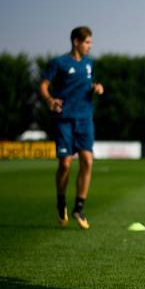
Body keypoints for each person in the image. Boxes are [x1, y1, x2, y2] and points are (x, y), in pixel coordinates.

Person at [39, 26, 104, 230]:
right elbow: (43, 85)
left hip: (85, 119)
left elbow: (89, 82)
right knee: (65, 164)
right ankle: (61, 201)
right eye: (87, 42)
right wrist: (50, 99)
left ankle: (79, 208)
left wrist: (97, 87)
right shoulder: (59, 63)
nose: (89, 46)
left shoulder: (89, 63)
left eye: (90, 43)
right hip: (65, 119)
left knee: (87, 161)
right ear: (76, 42)